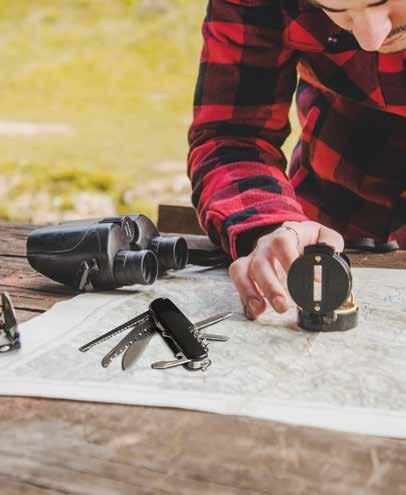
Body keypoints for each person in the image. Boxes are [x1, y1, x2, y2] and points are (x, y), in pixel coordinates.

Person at [187, 0, 406, 320]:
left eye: (382, 1)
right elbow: (232, 137)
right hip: (332, 221)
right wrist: (270, 226)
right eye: (340, 13)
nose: (370, 39)